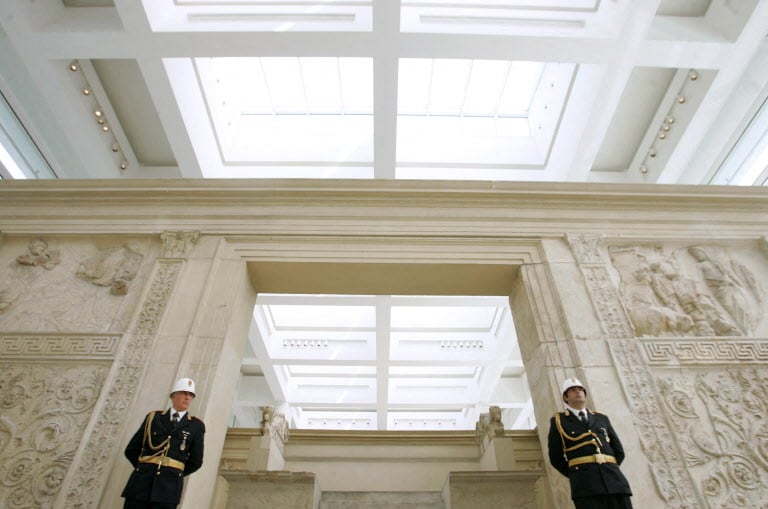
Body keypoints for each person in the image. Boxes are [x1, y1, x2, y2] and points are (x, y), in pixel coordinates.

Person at [548, 378, 633, 509]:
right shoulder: (559, 421)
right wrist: (577, 474)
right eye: (573, 390)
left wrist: (609, 468)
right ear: (566, 397)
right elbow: (555, 458)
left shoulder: (601, 418)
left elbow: (618, 451)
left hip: (615, 482)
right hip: (585, 485)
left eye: (580, 389)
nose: (578, 392)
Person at [121, 377, 206, 508]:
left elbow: (196, 461)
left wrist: (173, 473)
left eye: (191, 395)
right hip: (140, 484)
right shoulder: (153, 418)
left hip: (169, 489)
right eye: (184, 393)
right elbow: (132, 450)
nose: (187, 398)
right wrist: (143, 469)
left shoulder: (196, 425)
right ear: (173, 396)